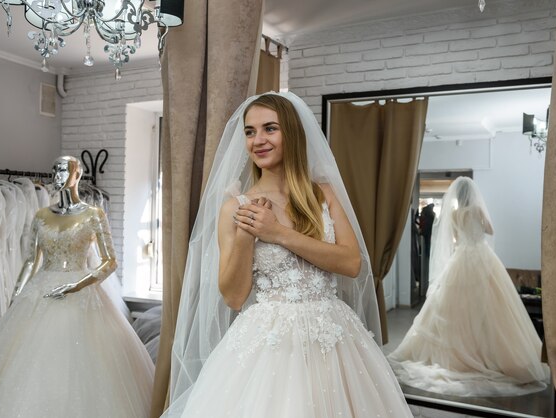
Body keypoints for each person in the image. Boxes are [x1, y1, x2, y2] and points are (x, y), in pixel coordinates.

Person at [161, 93, 412, 418]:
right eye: (250, 132)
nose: (257, 140)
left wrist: (278, 233)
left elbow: (351, 263)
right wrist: (246, 238)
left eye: (269, 129)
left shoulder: (323, 194)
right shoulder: (235, 208)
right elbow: (234, 297)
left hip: (332, 337)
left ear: (291, 133)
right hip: (269, 343)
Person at [0, 156, 154, 418]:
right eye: (54, 170)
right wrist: (15, 298)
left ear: (77, 175)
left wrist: (76, 285)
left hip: (80, 293)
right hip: (41, 291)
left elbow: (110, 262)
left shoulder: (94, 215)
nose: (56, 175)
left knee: (87, 362)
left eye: (63, 170)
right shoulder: (42, 215)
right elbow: (30, 261)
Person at [388, 176, 549, 397]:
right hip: (482, 257)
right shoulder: (477, 210)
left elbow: (455, 238)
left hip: (461, 258)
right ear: (473, 195)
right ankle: (486, 354)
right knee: (489, 310)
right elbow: (490, 231)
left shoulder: (455, 214)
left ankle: (457, 355)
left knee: (456, 309)